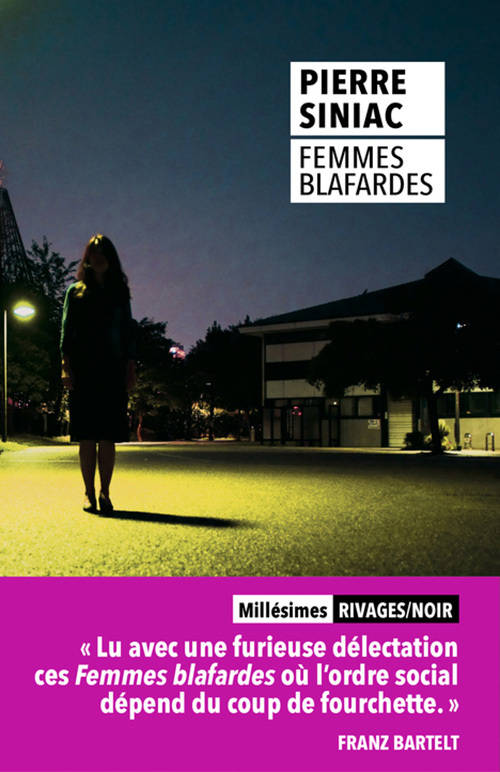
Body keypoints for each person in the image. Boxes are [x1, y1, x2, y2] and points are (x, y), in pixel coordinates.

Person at [60, 234, 136, 514]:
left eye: (103, 251)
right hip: (84, 369)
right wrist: (65, 367)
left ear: (110, 257)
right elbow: (66, 331)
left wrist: (130, 367)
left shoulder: (119, 293)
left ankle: (105, 491)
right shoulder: (75, 292)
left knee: (107, 436)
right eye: (94, 251)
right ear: (87, 258)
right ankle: (88, 492)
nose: (99, 256)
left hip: (112, 369)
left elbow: (128, 332)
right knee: (86, 435)